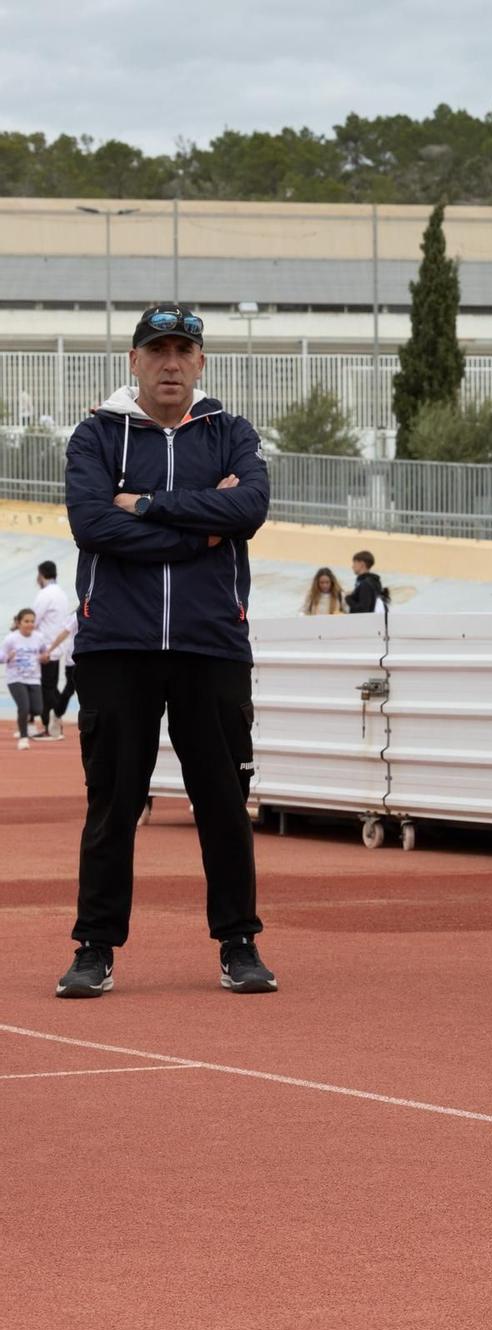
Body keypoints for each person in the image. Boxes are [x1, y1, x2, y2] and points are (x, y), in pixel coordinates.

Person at [57, 301, 275, 999]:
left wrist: (147, 505)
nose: (171, 363)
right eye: (158, 351)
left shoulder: (231, 432)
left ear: (202, 361)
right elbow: (93, 523)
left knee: (222, 799)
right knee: (113, 802)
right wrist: (196, 530)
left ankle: (239, 943)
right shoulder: (96, 435)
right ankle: (94, 949)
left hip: (212, 644)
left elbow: (248, 509)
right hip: (116, 644)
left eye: (183, 350)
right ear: (134, 361)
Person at [32, 560, 76, 739]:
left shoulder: (45, 594)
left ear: (41, 575)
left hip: (47, 648)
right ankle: (52, 724)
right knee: (50, 687)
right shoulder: (61, 594)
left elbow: (33, 619)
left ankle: (52, 725)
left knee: (47, 688)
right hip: (57, 648)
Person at [5, 608, 49, 751]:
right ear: (18, 623)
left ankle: (24, 721)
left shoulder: (39, 637)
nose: (30, 624)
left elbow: (45, 653)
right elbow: (1, 655)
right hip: (15, 678)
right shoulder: (11, 638)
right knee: (23, 707)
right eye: (26, 621)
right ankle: (23, 738)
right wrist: (6, 657)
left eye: (32, 621)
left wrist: (45, 658)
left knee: (37, 709)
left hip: (34, 678)